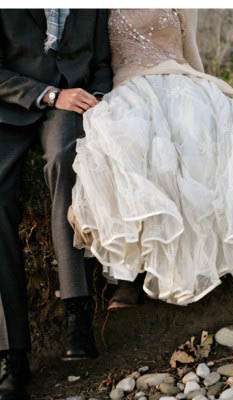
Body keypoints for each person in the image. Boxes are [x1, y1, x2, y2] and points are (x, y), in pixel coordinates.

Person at [69, 9, 233, 307]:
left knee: (199, 137)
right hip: (129, 90)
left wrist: (211, 90)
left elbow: (190, 54)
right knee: (132, 145)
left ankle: (207, 264)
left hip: (182, 82)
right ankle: (129, 274)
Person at [0, 9, 112, 399]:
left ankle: (77, 312)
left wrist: (98, 100)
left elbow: (102, 64)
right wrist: (47, 94)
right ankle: (12, 354)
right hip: (9, 107)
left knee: (66, 161)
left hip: (68, 109)